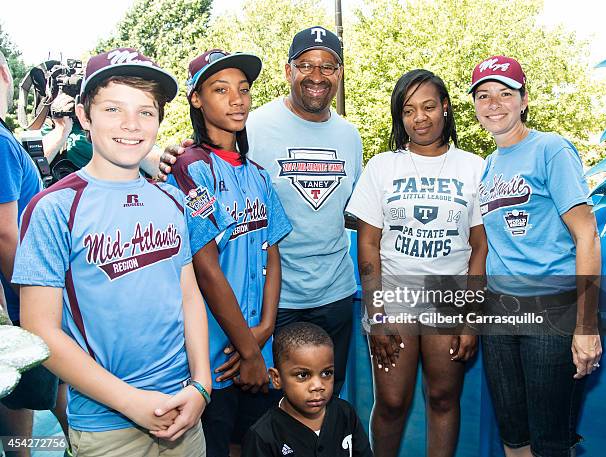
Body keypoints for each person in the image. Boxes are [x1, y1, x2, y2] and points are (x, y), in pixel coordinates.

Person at [13, 48, 217, 456]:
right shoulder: (54, 208)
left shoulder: (172, 200)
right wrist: (132, 404)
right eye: (112, 109)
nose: (131, 124)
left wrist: (201, 385)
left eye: (146, 111)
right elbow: (40, 329)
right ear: (85, 116)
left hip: (185, 412)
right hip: (108, 426)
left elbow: (189, 296)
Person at [159, 26, 363, 395]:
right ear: (288, 72)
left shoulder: (351, 136)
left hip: (335, 293)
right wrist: (168, 158)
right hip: (275, 303)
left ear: (340, 74)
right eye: (305, 65)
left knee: (325, 402)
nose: (317, 76)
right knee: (270, 415)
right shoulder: (251, 124)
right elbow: (209, 157)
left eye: (328, 66)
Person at [346, 69, 486, 457]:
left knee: (443, 398)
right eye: (409, 110)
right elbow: (369, 246)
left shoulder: (474, 168)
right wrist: (376, 317)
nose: (420, 117)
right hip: (394, 298)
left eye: (428, 106)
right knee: (391, 403)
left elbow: (479, 249)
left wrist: (472, 319)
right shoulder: (382, 167)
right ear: (400, 116)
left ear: (445, 107)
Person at [470, 55, 602, 457]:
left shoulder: (551, 149)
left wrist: (586, 325)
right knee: (514, 439)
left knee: (550, 444)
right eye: (484, 95)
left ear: (524, 100)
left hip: (550, 314)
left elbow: (587, 237)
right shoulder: (489, 166)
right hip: (500, 315)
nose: (494, 104)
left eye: (505, 94)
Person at [166, 49, 292, 456]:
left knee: (256, 445)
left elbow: (272, 251)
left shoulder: (256, 173)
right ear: (196, 99)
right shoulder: (190, 166)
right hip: (218, 354)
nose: (237, 99)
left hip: (259, 342)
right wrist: (247, 349)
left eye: (244, 89)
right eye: (221, 90)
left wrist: (266, 329)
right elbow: (206, 268)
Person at [0, 49, 50, 457]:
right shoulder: (0, 142)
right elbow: (5, 234)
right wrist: (26, 300)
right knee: (23, 388)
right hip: (22, 292)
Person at [242, 321, 373, 457]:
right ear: (276, 378)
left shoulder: (345, 413)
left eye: (326, 373)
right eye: (303, 375)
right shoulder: (263, 436)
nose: (318, 386)